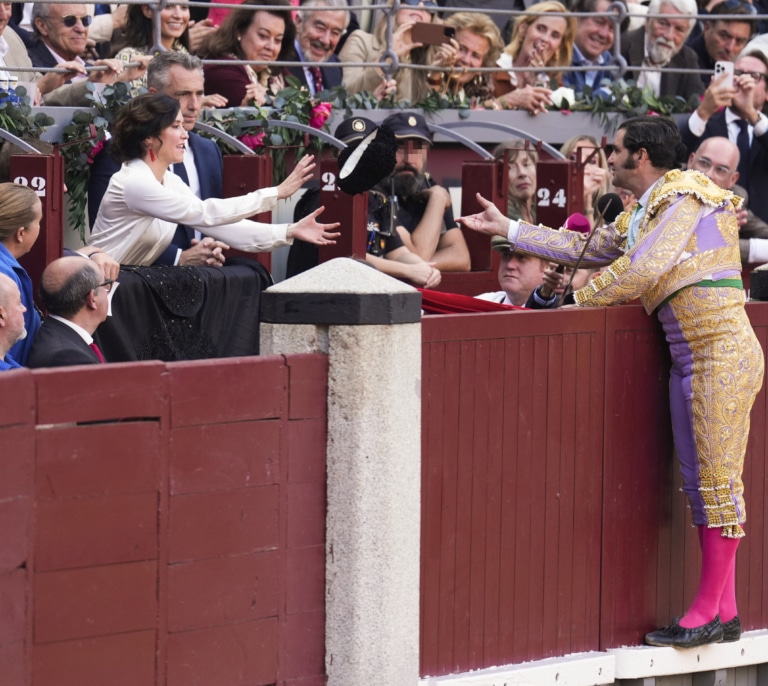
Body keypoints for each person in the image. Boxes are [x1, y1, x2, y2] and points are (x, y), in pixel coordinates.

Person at [459, 115, 763, 649]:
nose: (609, 157)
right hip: (690, 354)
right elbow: (594, 249)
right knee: (700, 481)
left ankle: (706, 611)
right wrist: (508, 228)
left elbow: (642, 271)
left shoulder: (687, 195)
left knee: (717, 481)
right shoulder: (649, 208)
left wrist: (577, 301)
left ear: (640, 157)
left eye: (617, 150)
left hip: (721, 353)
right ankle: (725, 607)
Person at [89, 93, 338, 266]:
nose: (185, 134)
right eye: (175, 127)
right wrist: (275, 194)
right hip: (97, 288)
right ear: (149, 138)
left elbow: (221, 227)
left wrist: (289, 231)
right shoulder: (134, 181)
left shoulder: (168, 180)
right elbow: (205, 213)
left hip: (126, 288)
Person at [88, 52, 230, 267]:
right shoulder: (119, 152)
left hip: (206, 278)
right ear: (154, 95)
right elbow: (109, 234)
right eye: (183, 94)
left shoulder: (209, 150)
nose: (194, 105)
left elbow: (209, 214)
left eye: (199, 93)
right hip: (141, 282)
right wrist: (178, 259)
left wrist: (210, 246)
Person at [286, 116, 442, 288]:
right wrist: (408, 271)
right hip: (314, 298)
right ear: (337, 155)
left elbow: (397, 252)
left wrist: (424, 267)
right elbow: (345, 254)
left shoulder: (378, 197)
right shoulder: (324, 197)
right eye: (351, 150)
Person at [679, 51, 768, 223]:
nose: (742, 81)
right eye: (737, 73)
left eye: (754, 77)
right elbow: (674, 157)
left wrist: (751, 114)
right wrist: (704, 111)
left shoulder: (764, 129)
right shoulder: (705, 123)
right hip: (706, 227)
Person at [376, 112, 470, 271]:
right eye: (399, 147)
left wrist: (420, 267)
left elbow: (461, 257)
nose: (409, 159)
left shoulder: (427, 186)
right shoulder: (374, 191)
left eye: (417, 149)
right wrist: (438, 200)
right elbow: (418, 256)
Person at [27, 2, 149, 105]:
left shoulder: (94, 69)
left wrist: (123, 78)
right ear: (42, 25)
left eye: (86, 20)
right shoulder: (29, 66)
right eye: (69, 20)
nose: (81, 29)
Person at [338, 0, 444, 104]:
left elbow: (431, 113)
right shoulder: (360, 40)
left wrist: (435, 75)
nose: (421, 6)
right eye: (412, 0)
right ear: (393, 7)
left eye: (428, 4)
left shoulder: (426, 58)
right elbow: (344, 97)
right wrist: (387, 56)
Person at [687, 136, 768, 263]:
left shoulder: (732, 198)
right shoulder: (666, 188)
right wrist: (714, 232)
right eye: (704, 163)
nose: (708, 174)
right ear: (691, 161)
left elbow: (762, 231)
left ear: (733, 179)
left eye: (721, 170)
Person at [200, 0, 294, 107]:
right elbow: (263, 113)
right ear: (239, 31)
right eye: (263, 36)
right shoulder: (221, 69)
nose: (271, 47)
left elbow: (304, 100)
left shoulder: (276, 72)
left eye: (278, 40)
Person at [493, 1, 576, 114]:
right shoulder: (492, 68)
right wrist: (510, 99)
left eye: (555, 35)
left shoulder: (555, 83)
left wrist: (537, 81)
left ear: (559, 47)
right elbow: (476, 111)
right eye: (541, 28)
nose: (545, 39)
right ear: (523, 29)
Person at [27, 257, 111, 368]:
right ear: (92, 299)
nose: (107, 292)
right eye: (105, 285)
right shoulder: (70, 358)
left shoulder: (57, 335)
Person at [620, 0, 704, 100]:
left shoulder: (687, 58)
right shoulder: (621, 45)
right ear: (648, 21)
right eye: (663, 23)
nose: (669, 36)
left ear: (687, 36)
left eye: (679, 29)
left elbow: (697, 104)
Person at [108, 0, 192, 93]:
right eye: (167, 6)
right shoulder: (128, 56)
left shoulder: (184, 54)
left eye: (184, 7)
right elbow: (109, 102)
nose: (178, 15)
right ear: (147, 10)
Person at [426, 11, 503, 106]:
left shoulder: (481, 91)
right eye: (461, 49)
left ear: (482, 66)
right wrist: (435, 74)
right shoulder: (421, 73)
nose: (466, 60)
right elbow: (428, 108)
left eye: (475, 55)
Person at [686, 0, 755, 89]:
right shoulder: (684, 62)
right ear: (707, 28)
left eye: (739, 41)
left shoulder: (747, 69)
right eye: (724, 36)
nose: (730, 48)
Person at [563, 0, 626, 94]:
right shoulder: (557, 55)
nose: (604, 34)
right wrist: (604, 94)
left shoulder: (610, 61)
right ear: (576, 16)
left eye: (612, 28)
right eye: (599, 22)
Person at [285, 0, 347, 94]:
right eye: (320, 28)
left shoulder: (335, 67)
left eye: (335, 33)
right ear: (299, 22)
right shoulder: (278, 63)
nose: (326, 40)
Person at [475, 236, 550, 306]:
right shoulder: (479, 305)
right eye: (506, 255)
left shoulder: (558, 311)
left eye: (521, 257)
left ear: (547, 266)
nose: (509, 265)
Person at [560, 134, 611, 228]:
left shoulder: (608, 210)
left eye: (591, 161)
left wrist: (587, 203)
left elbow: (590, 242)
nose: (582, 165)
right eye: (572, 158)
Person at [493, 139, 538, 224]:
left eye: (526, 164)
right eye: (510, 167)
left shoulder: (540, 211)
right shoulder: (502, 216)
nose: (522, 173)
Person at [0, 274, 26, 371]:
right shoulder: (5, 382)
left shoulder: (9, 365)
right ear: (1, 316)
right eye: (19, 302)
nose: (24, 309)